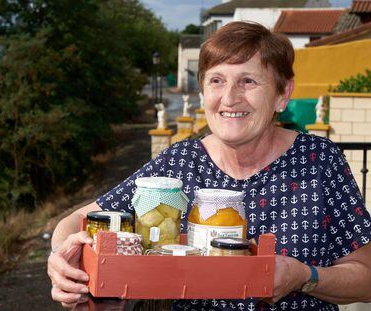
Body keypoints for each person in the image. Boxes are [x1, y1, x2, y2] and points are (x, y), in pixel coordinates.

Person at [48, 21, 371, 310]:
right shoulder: (180, 163)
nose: (230, 98)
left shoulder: (318, 161)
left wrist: (304, 276)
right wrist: (64, 259)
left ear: (282, 94)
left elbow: (366, 277)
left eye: (248, 81)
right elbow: (77, 219)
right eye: (217, 80)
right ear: (203, 91)